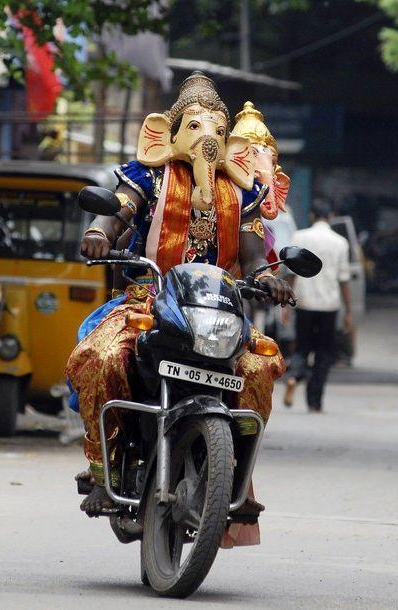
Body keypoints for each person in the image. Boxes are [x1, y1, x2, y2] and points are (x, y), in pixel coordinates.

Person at [66, 73, 295, 528]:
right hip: (147, 299)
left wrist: (272, 277)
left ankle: (235, 476)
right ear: (167, 136)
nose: (206, 138)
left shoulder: (242, 191)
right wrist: (98, 231)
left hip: (215, 308)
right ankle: (101, 468)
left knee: (261, 367)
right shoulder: (149, 175)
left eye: (215, 129)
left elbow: (252, 257)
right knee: (100, 357)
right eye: (195, 126)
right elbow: (119, 210)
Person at [283, 198, 353, 412]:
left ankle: (295, 375)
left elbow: (291, 275)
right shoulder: (340, 242)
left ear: (312, 215)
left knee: (302, 347)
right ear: (330, 217)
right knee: (323, 353)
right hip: (328, 306)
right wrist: (348, 311)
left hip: (304, 303)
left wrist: (285, 305)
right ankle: (314, 403)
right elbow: (344, 280)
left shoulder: (300, 237)